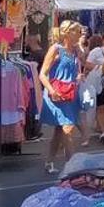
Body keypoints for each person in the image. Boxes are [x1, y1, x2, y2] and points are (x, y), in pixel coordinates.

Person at [40, 20, 84, 175]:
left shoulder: (75, 51)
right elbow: (42, 74)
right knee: (68, 128)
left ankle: (49, 160)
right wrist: (51, 90)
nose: (79, 34)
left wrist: (79, 75)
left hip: (70, 93)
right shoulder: (56, 49)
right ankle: (72, 166)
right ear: (66, 33)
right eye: (76, 31)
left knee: (60, 131)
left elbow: (80, 67)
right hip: (57, 93)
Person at [86, 32, 104, 144]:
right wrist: (102, 67)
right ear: (103, 41)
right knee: (101, 107)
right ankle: (103, 131)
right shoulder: (96, 51)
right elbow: (88, 64)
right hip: (100, 82)